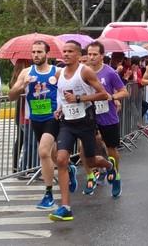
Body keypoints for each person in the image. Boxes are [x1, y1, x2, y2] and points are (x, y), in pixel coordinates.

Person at [49, 40, 116, 222]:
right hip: (67, 124)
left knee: (91, 160)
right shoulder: (59, 72)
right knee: (61, 159)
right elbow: (61, 94)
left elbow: (103, 94)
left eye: (71, 51)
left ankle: (110, 167)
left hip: (86, 122)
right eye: (64, 51)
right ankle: (65, 207)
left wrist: (79, 98)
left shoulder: (85, 71)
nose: (66, 54)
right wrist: (60, 107)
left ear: (79, 55)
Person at [8, 41, 62, 209]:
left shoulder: (57, 72)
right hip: (35, 119)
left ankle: (48, 193)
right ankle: (67, 168)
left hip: (53, 117)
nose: (36, 55)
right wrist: (22, 86)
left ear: (47, 53)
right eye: (33, 52)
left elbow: (69, 91)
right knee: (52, 155)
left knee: (43, 152)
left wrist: (61, 108)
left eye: (39, 52)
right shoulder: (26, 72)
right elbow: (11, 96)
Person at [84, 41, 129, 197]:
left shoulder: (109, 72)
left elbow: (124, 91)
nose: (91, 57)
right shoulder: (83, 72)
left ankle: (115, 174)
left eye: (95, 54)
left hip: (107, 115)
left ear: (102, 56)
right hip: (88, 115)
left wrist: (113, 96)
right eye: (89, 54)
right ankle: (91, 176)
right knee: (85, 145)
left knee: (111, 148)